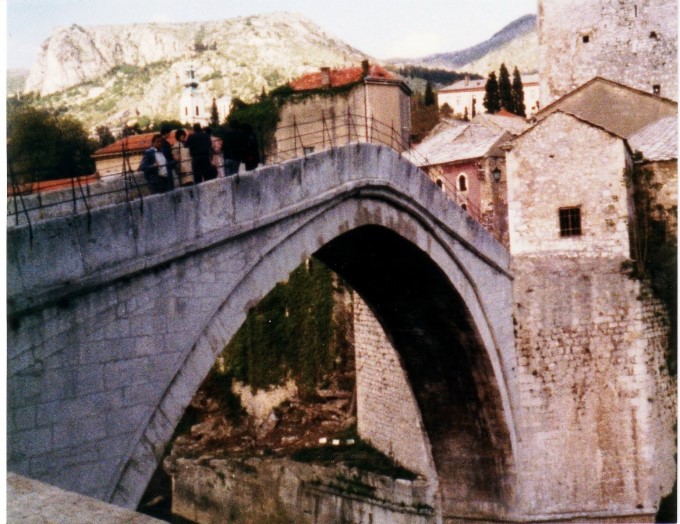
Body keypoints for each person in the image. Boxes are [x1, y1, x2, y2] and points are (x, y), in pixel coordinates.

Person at [159, 124, 177, 190]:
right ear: (166, 133)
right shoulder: (165, 143)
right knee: (170, 186)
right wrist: (174, 161)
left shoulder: (159, 141)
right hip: (167, 166)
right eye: (169, 133)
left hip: (161, 166)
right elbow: (168, 155)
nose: (170, 135)